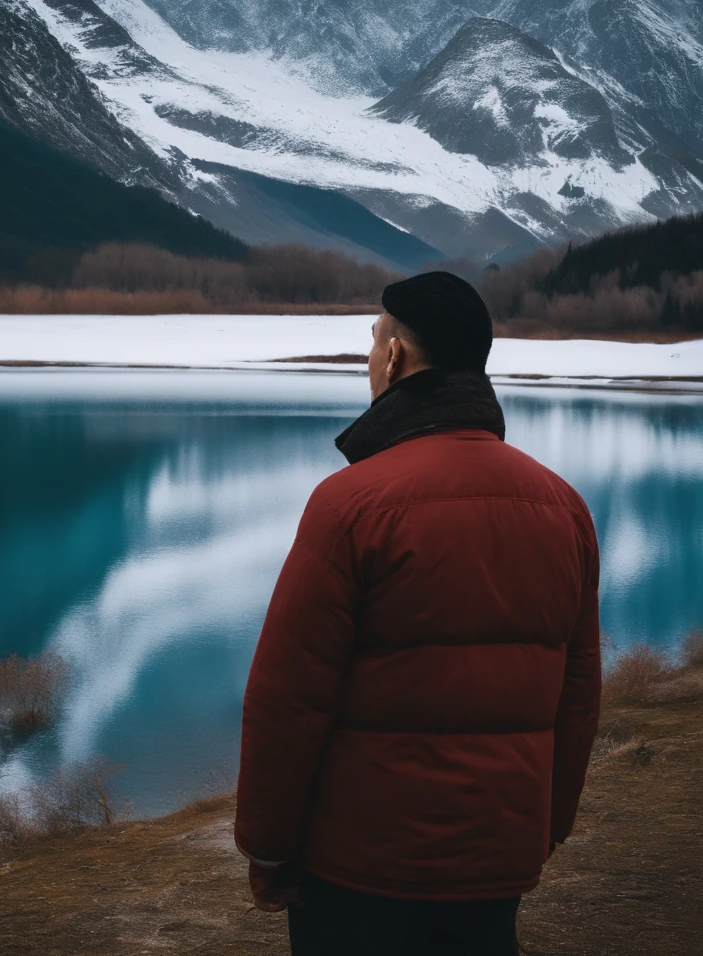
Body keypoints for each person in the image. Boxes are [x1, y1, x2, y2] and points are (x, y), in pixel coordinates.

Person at [235, 271, 601, 956]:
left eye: (374, 343)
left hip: (360, 866)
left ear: (396, 357)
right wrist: (544, 826)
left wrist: (269, 848)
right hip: (498, 855)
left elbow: (288, 699)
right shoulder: (564, 506)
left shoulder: (349, 505)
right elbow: (578, 693)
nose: (371, 359)